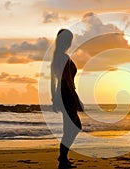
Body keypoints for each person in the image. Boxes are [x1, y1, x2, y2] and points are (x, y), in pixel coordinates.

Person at [51, 29, 83, 169]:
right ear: (65, 41)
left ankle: (63, 157)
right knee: (74, 127)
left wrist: (54, 99)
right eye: (69, 39)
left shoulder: (56, 57)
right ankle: (62, 158)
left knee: (72, 127)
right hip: (67, 95)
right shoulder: (64, 57)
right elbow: (68, 81)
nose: (70, 42)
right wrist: (76, 99)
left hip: (60, 94)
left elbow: (53, 81)